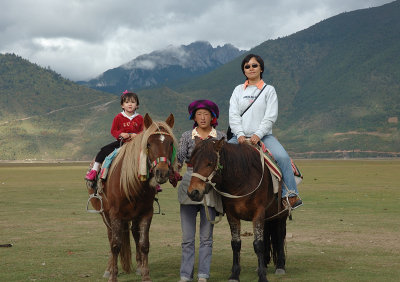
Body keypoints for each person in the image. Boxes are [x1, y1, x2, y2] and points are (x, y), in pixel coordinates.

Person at [228, 54, 302, 209]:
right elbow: (233, 115)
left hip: (264, 136)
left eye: (254, 65)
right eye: (247, 66)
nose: (251, 68)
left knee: (282, 157)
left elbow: (270, 116)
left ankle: (290, 195)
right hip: (239, 136)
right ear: (244, 70)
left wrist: (258, 135)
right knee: (221, 158)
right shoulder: (237, 90)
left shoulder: (269, 90)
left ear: (261, 68)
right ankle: (219, 199)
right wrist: (240, 134)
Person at [177, 100, 225, 282]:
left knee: (206, 237)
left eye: (206, 114)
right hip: (189, 182)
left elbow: (224, 163)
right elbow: (179, 160)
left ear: (213, 117)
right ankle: (185, 275)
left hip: (210, 187)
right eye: (199, 114)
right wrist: (173, 171)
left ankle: (203, 275)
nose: (203, 118)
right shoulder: (187, 136)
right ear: (194, 117)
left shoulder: (219, 136)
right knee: (188, 238)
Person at [85, 90, 143, 181]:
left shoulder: (140, 118)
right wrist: (120, 134)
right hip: (121, 142)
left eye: (133, 102)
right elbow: (113, 130)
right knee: (103, 150)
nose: (130, 104)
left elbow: (143, 131)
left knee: (150, 154)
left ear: (137, 105)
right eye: (127, 102)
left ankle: (154, 182)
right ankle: (94, 170)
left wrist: (137, 135)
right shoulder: (118, 117)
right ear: (122, 105)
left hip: (136, 144)